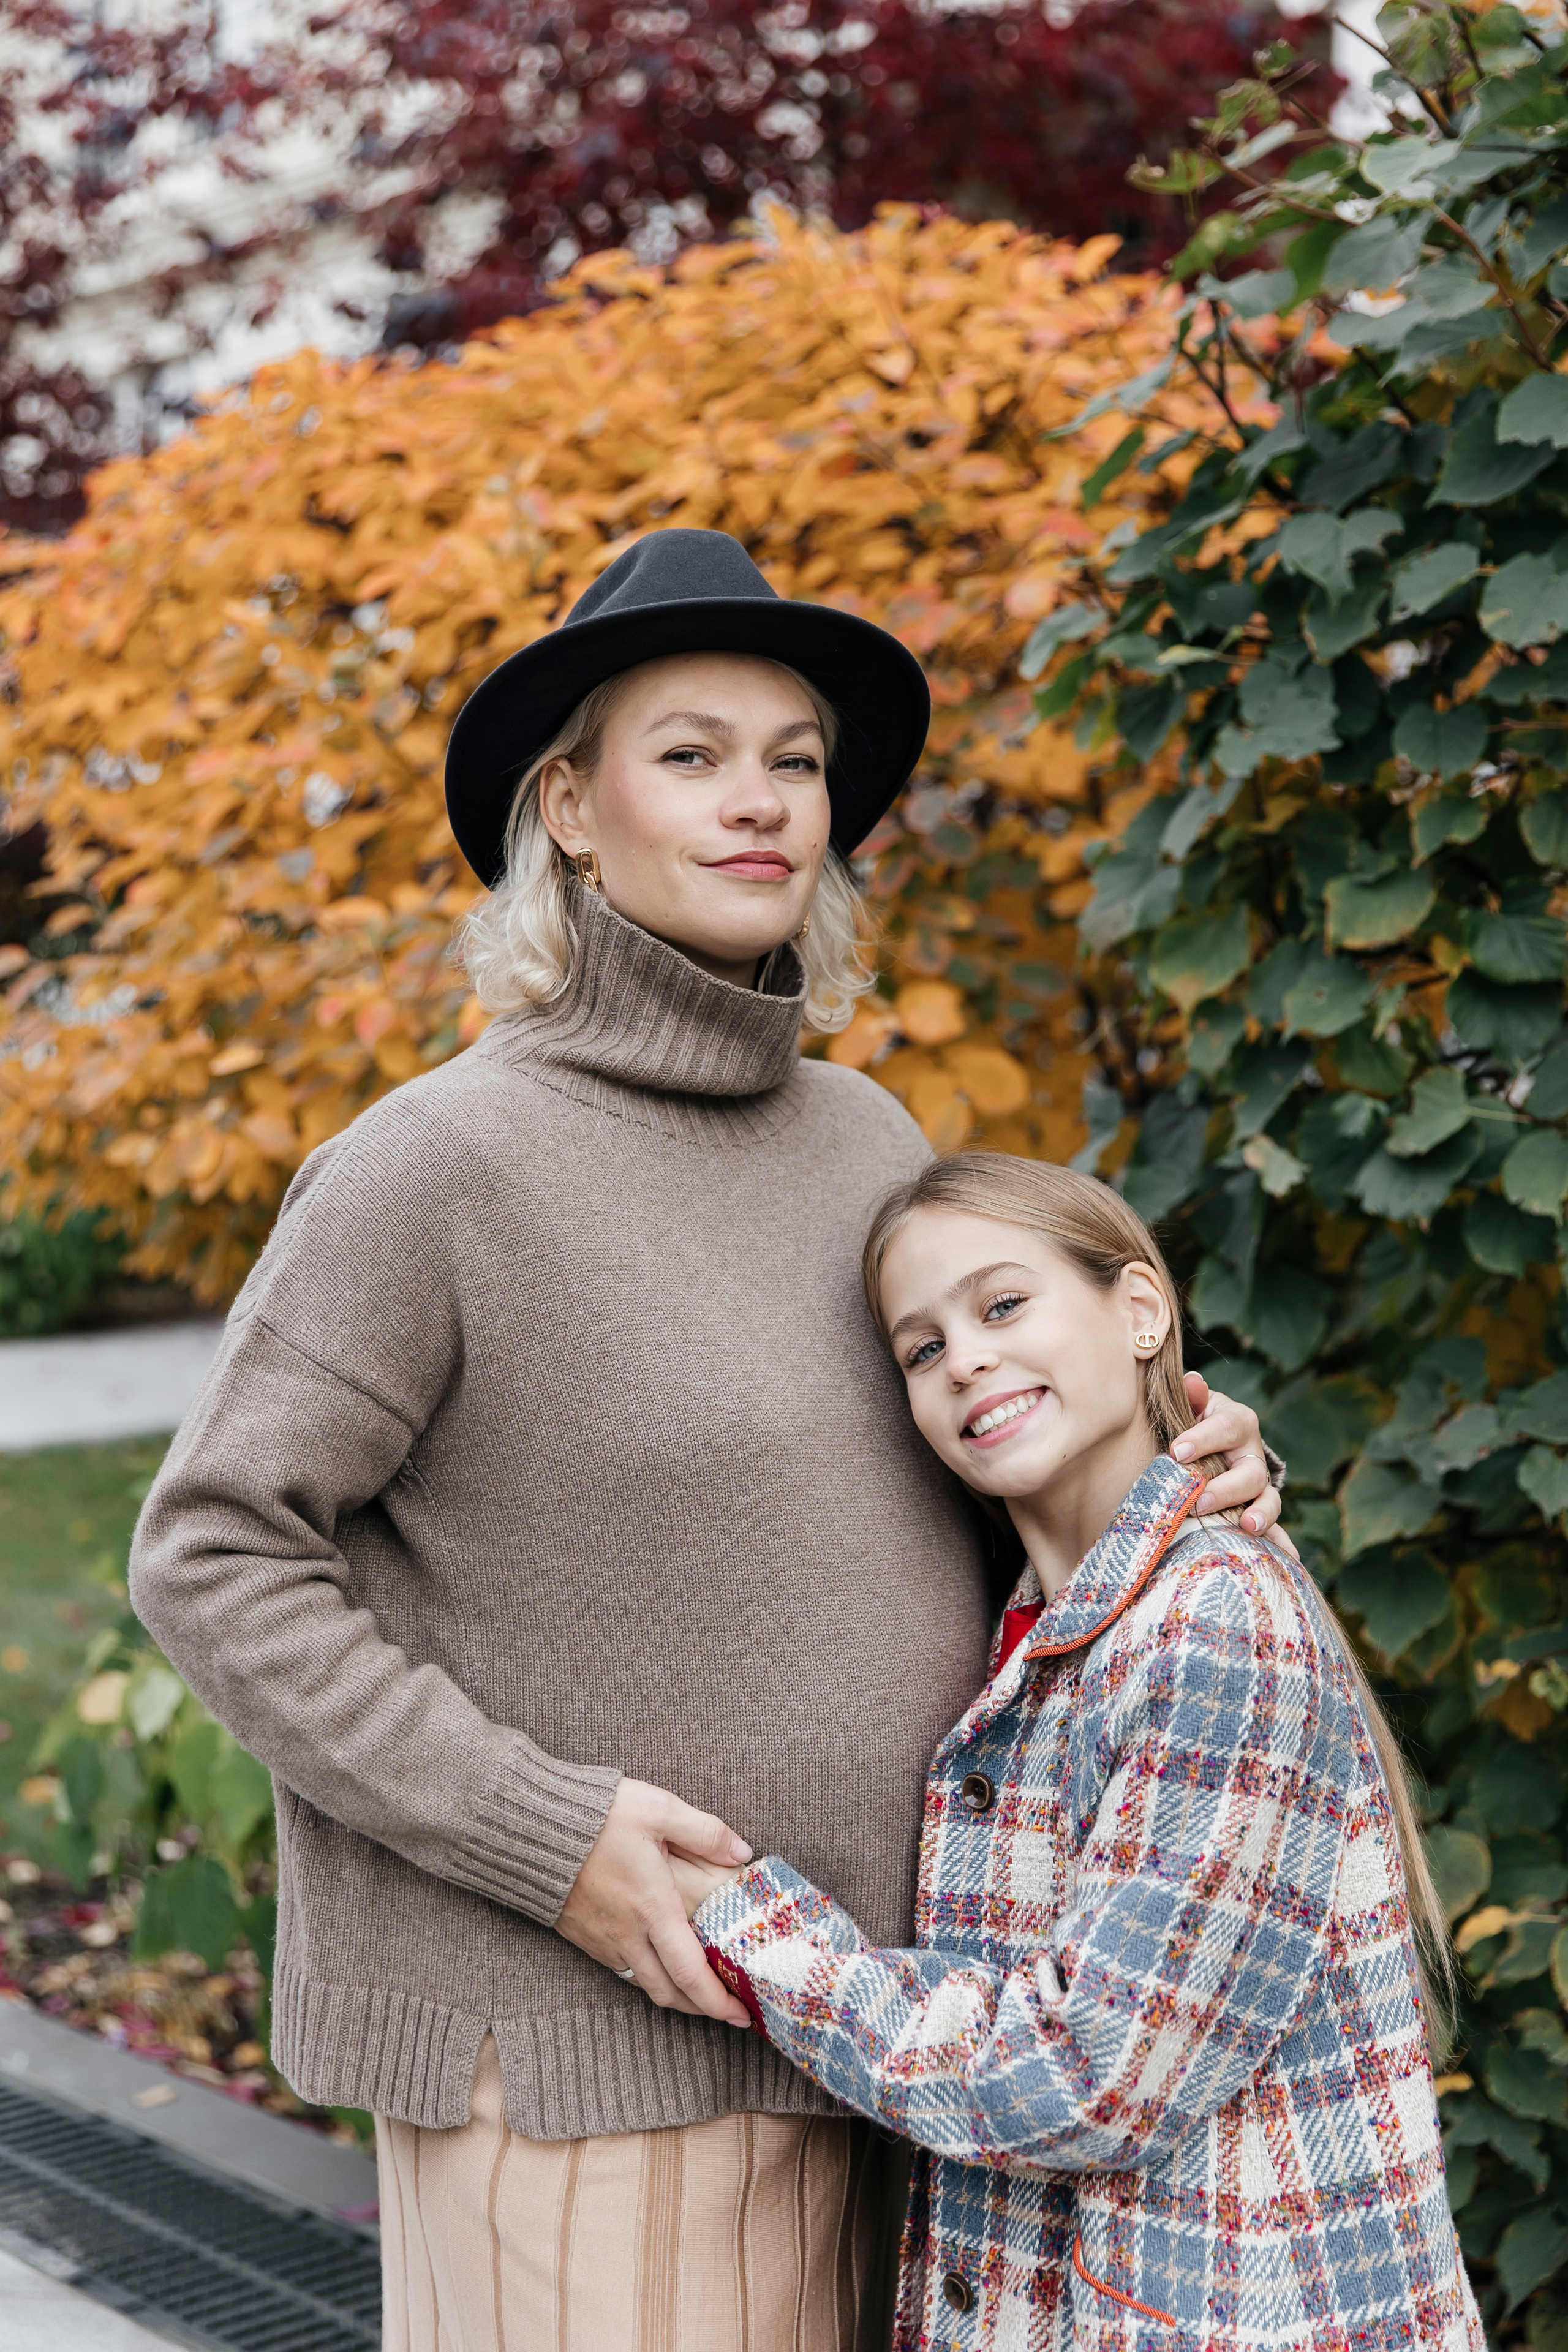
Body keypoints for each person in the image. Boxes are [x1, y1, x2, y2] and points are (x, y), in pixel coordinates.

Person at [129, 530, 1287, 2352]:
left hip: (907, 2035)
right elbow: (208, 1552)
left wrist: (1175, 1465)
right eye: (692, 755)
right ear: (573, 807)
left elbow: (972, 1469)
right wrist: (544, 1835)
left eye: (796, 760)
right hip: (595, 2055)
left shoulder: (869, 1141)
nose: (760, 802)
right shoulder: (434, 1170)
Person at [676, 1151, 1480, 2352]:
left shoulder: (1213, 1621)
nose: (967, 1359)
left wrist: (745, 1922)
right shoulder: (1044, 1626)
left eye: (1001, 1306)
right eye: (921, 1349)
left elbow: (1086, 2076)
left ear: (1139, 1311)